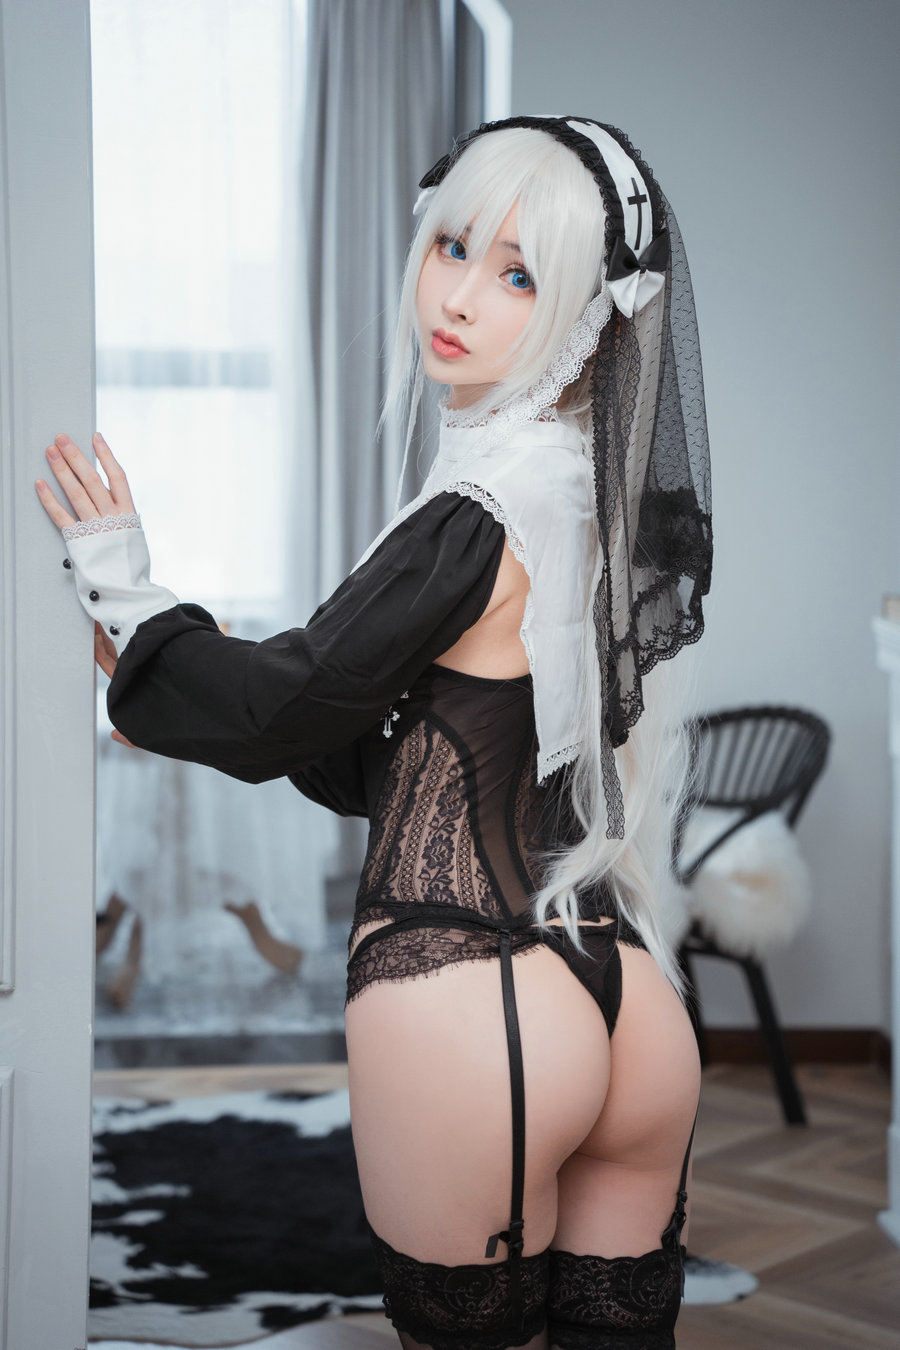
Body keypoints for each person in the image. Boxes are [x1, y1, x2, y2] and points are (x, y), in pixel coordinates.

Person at [37, 116, 712, 1349]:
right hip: (631, 1000)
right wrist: (185, 664)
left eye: (520, 275)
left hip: (471, 996)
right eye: (453, 245)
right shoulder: (592, 493)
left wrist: (128, 598)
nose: (457, 296)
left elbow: (283, 708)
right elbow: (390, 755)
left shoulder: (479, 508)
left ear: (586, 313)